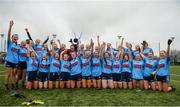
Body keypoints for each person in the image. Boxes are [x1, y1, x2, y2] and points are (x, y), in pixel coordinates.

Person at [4, 20, 19, 90]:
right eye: (14, 37)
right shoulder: (10, 43)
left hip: (15, 62)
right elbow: (9, 34)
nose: (15, 37)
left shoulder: (17, 46)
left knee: (13, 74)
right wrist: (10, 26)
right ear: (12, 38)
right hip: (9, 61)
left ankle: (13, 85)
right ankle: (6, 85)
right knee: (8, 74)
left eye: (16, 37)